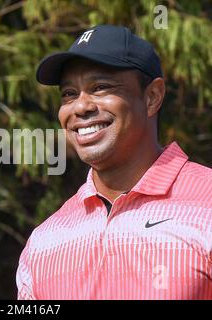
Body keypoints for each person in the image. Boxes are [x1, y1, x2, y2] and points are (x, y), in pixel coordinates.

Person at [16, 24, 212, 300]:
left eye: (101, 87)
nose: (80, 106)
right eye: (69, 93)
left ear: (152, 97)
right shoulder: (44, 242)